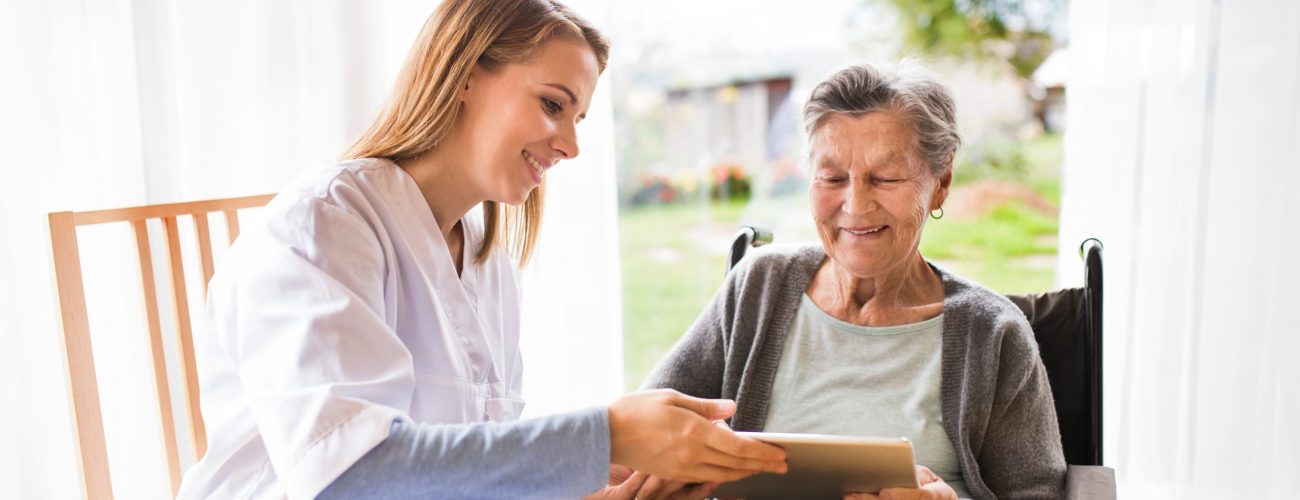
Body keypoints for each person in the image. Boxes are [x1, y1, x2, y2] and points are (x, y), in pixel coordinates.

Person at [176, 1, 786, 498]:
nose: (571, 145)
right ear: (466, 74)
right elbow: (350, 478)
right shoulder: (323, 225)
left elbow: (468, 471)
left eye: (578, 120)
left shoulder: (488, 258)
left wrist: (605, 478)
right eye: (553, 105)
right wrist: (606, 436)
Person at [643, 62, 1067, 500]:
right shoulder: (759, 285)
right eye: (832, 177)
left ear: (940, 182)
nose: (856, 205)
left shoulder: (994, 334)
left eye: (885, 178)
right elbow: (639, 438)